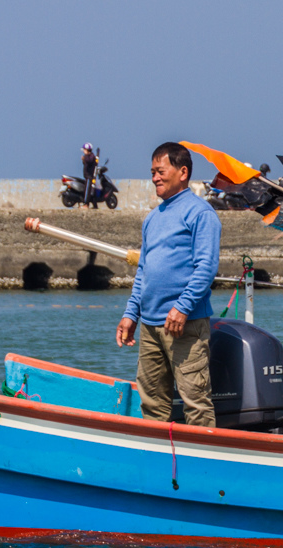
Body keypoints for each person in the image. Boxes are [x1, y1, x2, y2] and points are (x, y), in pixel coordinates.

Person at [116, 142, 221, 426]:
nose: (154, 178)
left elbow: (206, 267)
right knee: (152, 406)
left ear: (182, 172)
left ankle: (202, 466)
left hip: (185, 326)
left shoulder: (201, 214)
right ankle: (159, 464)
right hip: (150, 328)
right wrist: (130, 314)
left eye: (160, 171)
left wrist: (182, 308)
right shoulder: (152, 219)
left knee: (196, 404)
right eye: (152, 172)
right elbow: (143, 271)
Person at [80, 143, 98, 209]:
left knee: (87, 191)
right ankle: (95, 205)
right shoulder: (88, 156)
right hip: (87, 176)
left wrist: (84, 158)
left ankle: (86, 204)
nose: (83, 151)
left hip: (89, 176)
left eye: (84, 150)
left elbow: (89, 161)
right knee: (91, 191)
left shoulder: (91, 156)